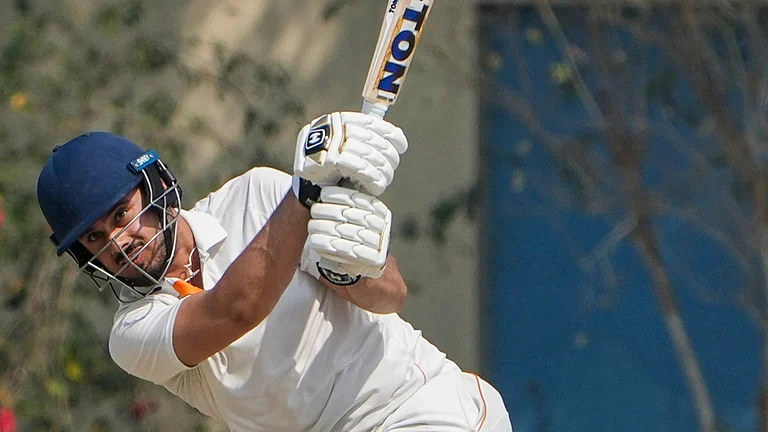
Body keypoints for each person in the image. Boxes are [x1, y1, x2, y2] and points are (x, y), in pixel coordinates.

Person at [36, 112, 513, 432]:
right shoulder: (132, 334)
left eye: (121, 215)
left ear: (156, 182)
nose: (118, 242)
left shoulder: (258, 197)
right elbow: (237, 309)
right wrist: (307, 193)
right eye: (95, 238)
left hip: (415, 405)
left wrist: (352, 271)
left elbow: (392, 296)